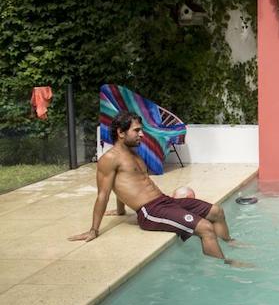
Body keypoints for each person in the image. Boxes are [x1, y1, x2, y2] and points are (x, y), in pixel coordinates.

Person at [69, 111, 241, 264]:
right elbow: (103, 194)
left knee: (217, 211)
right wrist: (94, 230)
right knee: (205, 228)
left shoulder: (134, 154)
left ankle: (229, 244)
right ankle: (224, 268)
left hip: (164, 201)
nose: (142, 134)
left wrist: (121, 210)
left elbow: (124, 184)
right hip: (150, 211)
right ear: (121, 133)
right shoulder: (109, 159)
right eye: (136, 130)